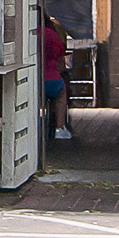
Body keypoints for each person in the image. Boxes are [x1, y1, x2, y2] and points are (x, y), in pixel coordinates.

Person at [40, 12, 71, 141]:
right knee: (61, 93)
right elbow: (60, 59)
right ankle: (59, 127)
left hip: (34, 82)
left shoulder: (28, 34)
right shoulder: (52, 35)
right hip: (51, 80)